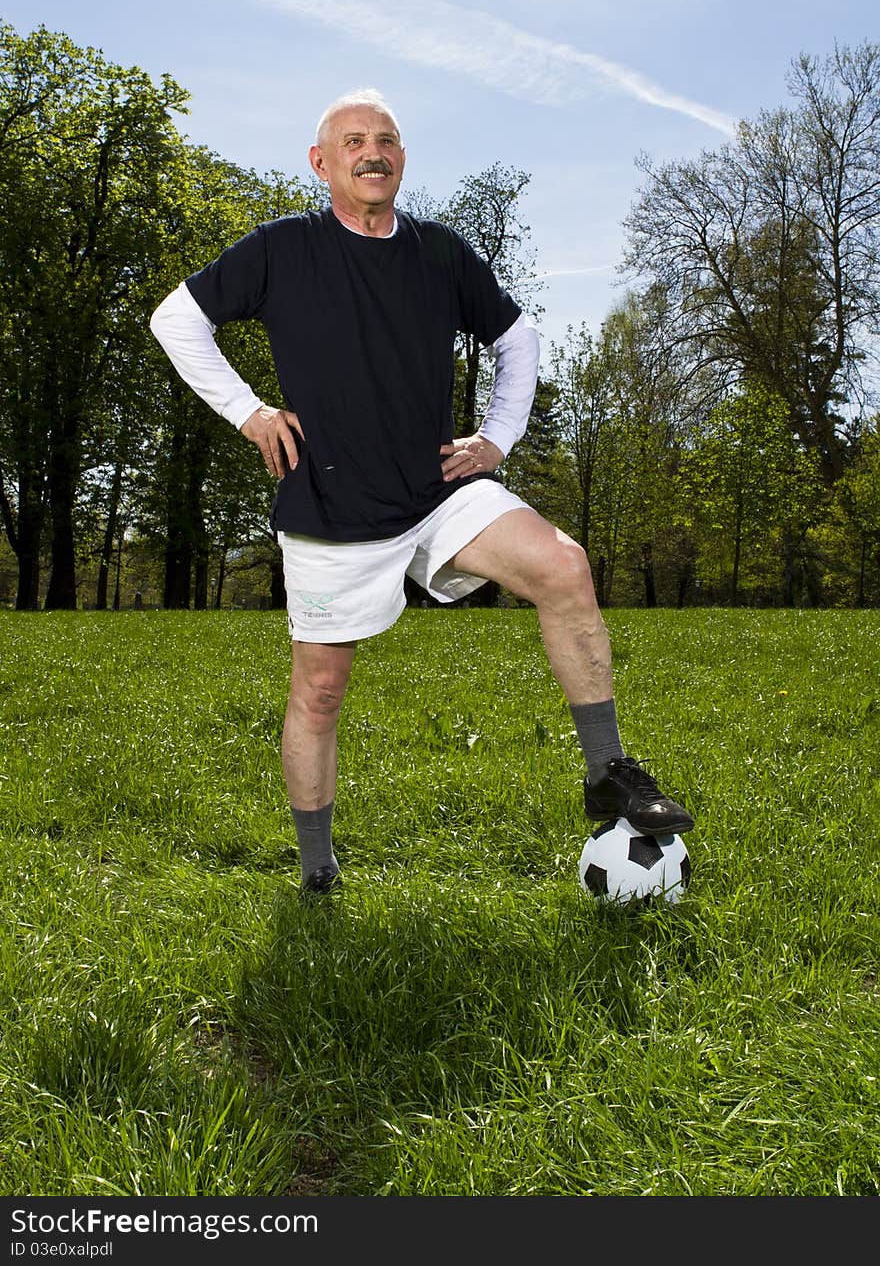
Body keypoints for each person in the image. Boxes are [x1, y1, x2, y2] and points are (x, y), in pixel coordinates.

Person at [150, 88, 694, 900]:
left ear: (402, 159)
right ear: (322, 161)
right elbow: (175, 319)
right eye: (355, 140)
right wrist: (249, 411)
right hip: (332, 510)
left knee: (562, 565)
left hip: (437, 492)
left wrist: (497, 439)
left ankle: (609, 773)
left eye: (388, 140)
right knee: (321, 689)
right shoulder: (282, 250)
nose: (374, 152)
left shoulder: (440, 253)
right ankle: (316, 867)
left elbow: (518, 338)